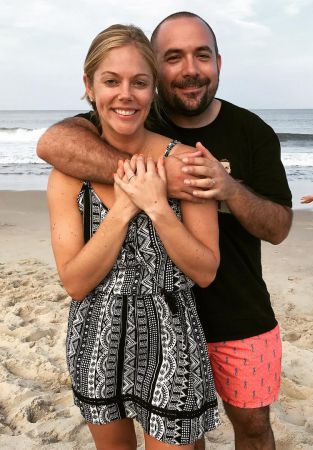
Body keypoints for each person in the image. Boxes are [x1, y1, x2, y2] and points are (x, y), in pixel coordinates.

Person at [37, 12, 293, 450]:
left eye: (201, 56)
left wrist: (220, 190)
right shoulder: (98, 137)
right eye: (174, 57)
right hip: (103, 333)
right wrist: (135, 192)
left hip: (217, 316)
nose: (190, 69)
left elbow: (270, 231)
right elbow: (53, 143)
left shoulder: (234, 140)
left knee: (251, 426)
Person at [46, 24, 221, 449]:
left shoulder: (186, 163)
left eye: (139, 83)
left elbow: (205, 271)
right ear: (89, 86)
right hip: (96, 333)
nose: (125, 95)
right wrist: (125, 206)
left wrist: (158, 206)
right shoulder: (68, 174)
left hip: (172, 334)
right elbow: (75, 282)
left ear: (153, 89)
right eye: (111, 81)